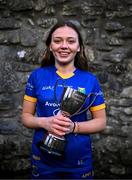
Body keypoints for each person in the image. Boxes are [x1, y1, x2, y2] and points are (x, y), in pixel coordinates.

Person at [22, 19, 106, 179]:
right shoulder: (37, 77)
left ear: (78, 47)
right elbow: (26, 117)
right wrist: (45, 122)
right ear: (50, 46)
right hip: (43, 160)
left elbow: (101, 122)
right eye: (57, 41)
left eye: (71, 41)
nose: (64, 46)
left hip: (79, 162)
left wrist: (73, 127)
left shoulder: (90, 80)